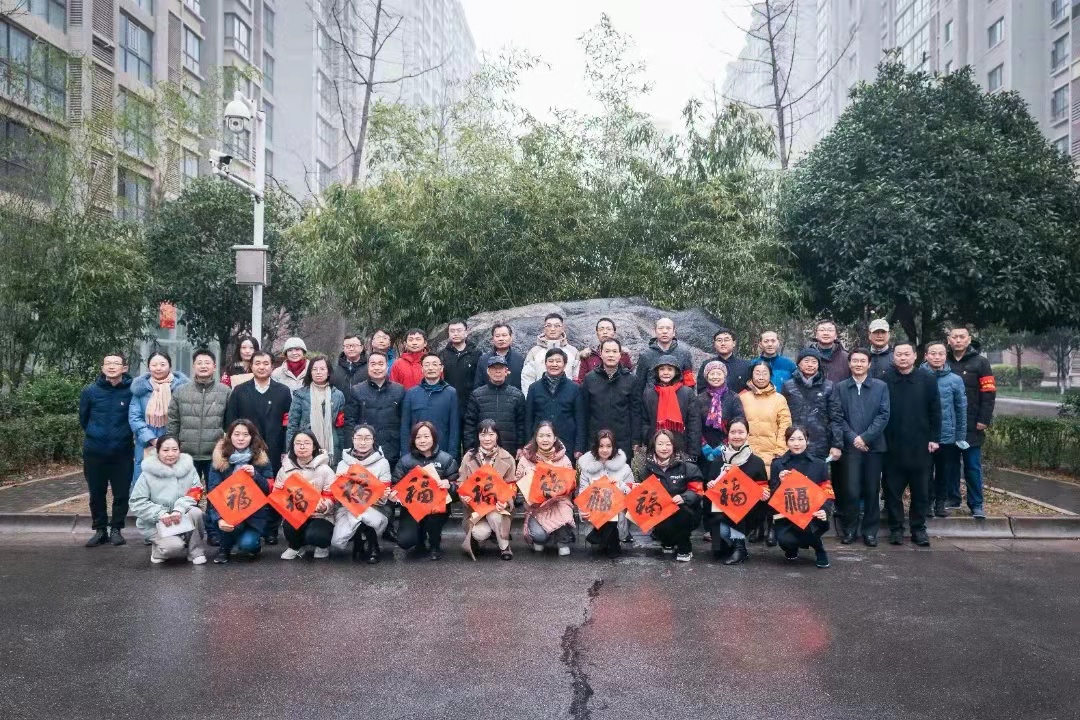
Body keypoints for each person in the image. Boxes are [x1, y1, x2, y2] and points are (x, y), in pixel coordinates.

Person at [223, 350, 293, 544]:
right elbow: (230, 422)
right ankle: (249, 527)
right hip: (246, 449)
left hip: (275, 446)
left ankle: (271, 529)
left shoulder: (283, 391)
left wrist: (286, 449)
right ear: (251, 366)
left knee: (273, 487)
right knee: (249, 486)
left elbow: (288, 423)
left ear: (272, 366)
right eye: (258, 363)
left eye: (266, 363)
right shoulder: (240, 391)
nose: (262, 367)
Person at [167, 348, 231, 544]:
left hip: (214, 454)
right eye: (199, 363)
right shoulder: (181, 391)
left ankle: (213, 532)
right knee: (187, 495)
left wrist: (225, 449)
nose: (203, 366)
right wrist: (173, 448)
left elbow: (230, 424)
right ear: (193, 366)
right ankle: (188, 532)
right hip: (187, 454)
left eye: (207, 363)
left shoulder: (225, 392)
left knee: (215, 495)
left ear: (214, 366)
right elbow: (173, 421)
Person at [882, 343, 941, 547]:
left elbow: (935, 410)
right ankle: (896, 529)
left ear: (915, 356)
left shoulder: (927, 379)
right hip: (892, 446)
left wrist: (934, 438)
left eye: (907, 354)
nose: (903, 357)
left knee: (921, 491)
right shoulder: (885, 380)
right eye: (899, 354)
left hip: (921, 445)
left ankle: (918, 529)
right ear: (893, 357)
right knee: (892, 492)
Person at [831, 348, 890, 546]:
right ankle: (849, 530)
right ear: (849, 364)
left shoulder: (880, 387)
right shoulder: (840, 387)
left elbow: (883, 415)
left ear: (869, 364)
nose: (858, 364)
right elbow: (837, 416)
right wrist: (854, 438)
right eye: (854, 361)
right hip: (850, 448)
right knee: (851, 490)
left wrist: (865, 438)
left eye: (862, 361)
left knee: (872, 490)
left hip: (874, 447)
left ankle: (870, 532)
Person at [79, 353, 135, 548]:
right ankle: (100, 530)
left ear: (124, 368)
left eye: (116, 363)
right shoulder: (90, 391)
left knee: (121, 494)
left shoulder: (131, 391)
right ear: (102, 368)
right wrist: (97, 434)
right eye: (108, 363)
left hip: (122, 452)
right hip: (94, 451)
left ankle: (116, 529)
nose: (112, 366)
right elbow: (84, 419)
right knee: (96, 493)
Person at [129, 434, 207, 565]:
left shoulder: (189, 468)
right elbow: (137, 502)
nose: (170, 454)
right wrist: (160, 513)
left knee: (196, 512)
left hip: (181, 516)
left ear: (180, 450)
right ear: (158, 451)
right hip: (157, 522)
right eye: (165, 450)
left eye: (175, 449)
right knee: (174, 548)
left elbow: (196, 490)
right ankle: (159, 550)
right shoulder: (147, 473)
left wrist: (179, 509)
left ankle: (195, 552)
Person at [207, 420, 274, 564]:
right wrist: (219, 519)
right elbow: (213, 492)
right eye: (236, 434)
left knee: (247, 545)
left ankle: (253, 544)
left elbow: (268, 490)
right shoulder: (219, 458)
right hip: (228, 512)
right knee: (229, 524)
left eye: (245, 434)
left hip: (254, 515)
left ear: (252, 437)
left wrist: (256, 476)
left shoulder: (261, 458)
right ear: (230, 436)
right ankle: (224, 548)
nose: (241, 438)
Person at [703, 418, 769, 564]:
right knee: (718, 550)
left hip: (747, 513)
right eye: (733, 432)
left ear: (747, 434)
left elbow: (763, 486)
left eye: (741, 432)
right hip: (721, 512)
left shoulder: (756, 462)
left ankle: (740, 548)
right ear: (728, 434)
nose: (737, 436)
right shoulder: (718, 461)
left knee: (737, 506)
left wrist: (764, 493)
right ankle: (730, 545)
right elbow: (709, 491)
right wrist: (711, 486)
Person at [947, 326, 996, 519]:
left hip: (972, 424)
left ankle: (976, 504)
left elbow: (989, 393)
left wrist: (984, 419)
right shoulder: (944, 361)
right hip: (949, 424)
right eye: (954, 337)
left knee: (972, 466)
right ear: (949, 340)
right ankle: (952, 498)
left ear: (968, 340)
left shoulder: (981, 362)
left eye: (962, 337)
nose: (958, 340)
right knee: (950, 465)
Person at [392, 422, 459, 560]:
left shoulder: (446, 459)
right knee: (405, 541)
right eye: (418, 437)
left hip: (437, 508)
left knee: (434, 519)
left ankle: (435, 544)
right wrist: (395, 497)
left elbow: (458, 489)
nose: (422, 440)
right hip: (412, 509)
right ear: (413, 440)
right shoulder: (405, 461)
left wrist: (450, 486)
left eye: (426, 436)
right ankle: (420, 541)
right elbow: (395, 485)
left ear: (434, 437)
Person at [770, 426, 833, 568]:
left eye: (800, 439)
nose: (796, 443)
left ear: (807, 440)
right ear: (786, 442)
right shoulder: (778, 464)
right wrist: (780, 482)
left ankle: (819, 548)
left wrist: (825, 510)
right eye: (792, 439)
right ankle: (791, 547)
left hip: (812, 516)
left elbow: (827, 491)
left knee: (808, 526)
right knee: (785, 540)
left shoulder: (819, 464)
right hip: (787, 516)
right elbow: (772, 497)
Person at [637, 429, 702, 562]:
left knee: (682, 513)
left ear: (673, 445)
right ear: (654, 446)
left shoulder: (687, 466)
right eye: (660, 444)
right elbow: (643, 494)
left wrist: (684, 497)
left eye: (668, 444)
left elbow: (698, 491)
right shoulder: (647, 469)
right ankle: (667, 540)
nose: (664, 448)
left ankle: (684, 547)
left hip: (685, 510)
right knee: (660, 519)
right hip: (661, 511)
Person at [331, 424, 392, 563]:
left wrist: (382, 494)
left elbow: (384, 494)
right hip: (348, 508)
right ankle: (358, 540)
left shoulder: (383, 463)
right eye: (358, 438)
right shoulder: (343, 464)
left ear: (373, 440)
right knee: (339, 538)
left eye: (367, 438)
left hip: (376, 507)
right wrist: (338, 484)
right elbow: (339, 497)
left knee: (365, 514)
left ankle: (373, 544)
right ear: (352, 439)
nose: (362, 442)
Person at [129, 350, 190, 486]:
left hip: (174, 443)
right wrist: (151, 439)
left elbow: (186, 415)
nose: (158, 368)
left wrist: (170, 441)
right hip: (147, 443)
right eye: (154, 365)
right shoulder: (140, 390)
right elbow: (134, 417)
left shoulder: (182, 389)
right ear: (148, 367)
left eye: (162, 364)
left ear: (170, 366)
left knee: (172, 482)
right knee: (145, 482)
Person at [458, 419, 516, 560]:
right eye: (483, 435)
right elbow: (461, 482)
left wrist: (506, 502)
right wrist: (464, 496)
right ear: (478, 436)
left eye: (491, 434)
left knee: (494, 516)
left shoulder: (507, 457)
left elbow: (512, 485)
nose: (487, 439)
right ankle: (478, 540)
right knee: (480, 533)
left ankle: (504, 546)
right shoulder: (469, 457)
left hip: (497, 508)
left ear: (497, 436)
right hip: (476, 509)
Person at [922, 341, 968, 518]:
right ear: (926, 356)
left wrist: (960, 436)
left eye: (940, 354)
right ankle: (927, 503)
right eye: (933, 353)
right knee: (925, 471)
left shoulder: (955, 380)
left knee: (944, 472)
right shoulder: (918, 377)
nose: (936, 357)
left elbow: (961, 409)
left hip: (947, 435)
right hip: (924, 434)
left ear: (945, 356)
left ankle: (940, 503)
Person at [517, 421, 576, 556]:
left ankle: (562, 540)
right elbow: (518, 482)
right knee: (539, 536)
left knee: (565, 515)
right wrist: (529, 476)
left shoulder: (564, 459)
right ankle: (541, 537)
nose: (545, 439)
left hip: (558, 503)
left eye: (548, 436)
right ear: (536, 438)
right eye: (541, 436)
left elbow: (571, 485)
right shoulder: (526, 459)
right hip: (537, 506)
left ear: (555, 438)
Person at [276, 431, 337, 560]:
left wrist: (325, 506)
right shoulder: (285, 469)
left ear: (314, 446)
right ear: (293, 446)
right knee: (289, 525)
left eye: (306, 443)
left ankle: (322, 546)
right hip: (296, 514)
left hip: (320, 516)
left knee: (316, 535)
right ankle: (296, 546)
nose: (302, 447)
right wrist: (278, 491)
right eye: (298, 443)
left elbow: (332, 496)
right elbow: (278, 496)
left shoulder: (325, 470)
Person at [344, 351, 406, 471]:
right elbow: (350, 421)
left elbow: (405, 422)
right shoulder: (357, 390)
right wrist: (350, 448)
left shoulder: (399, 390)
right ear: (368, 367)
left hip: (392, 448)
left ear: (387, 366)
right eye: (373, 364)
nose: (377, 368)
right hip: (364, 450)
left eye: (380, 364)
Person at [582, 338, 641, 462]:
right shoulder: (590, 379)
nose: (611, 355)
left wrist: (636, 440)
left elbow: (636, 412)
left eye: (614, 351)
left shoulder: (631, 379)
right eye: (607, 351)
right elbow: (584, 413)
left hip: (622, 440)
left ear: (620, 355)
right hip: (596, 439)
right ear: (601, 354)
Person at [576, 429, 634, 558]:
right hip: (595, 515)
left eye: (608, 446)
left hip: (618, 516)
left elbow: (632, 495)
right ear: (596, 447)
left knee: (613, 510)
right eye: (601, 446)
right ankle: (606, 540)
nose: (605, 450)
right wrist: (582, 512)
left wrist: (619, 485)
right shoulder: (587, 469)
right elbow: (582, 493)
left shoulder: (624, 468)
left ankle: (607, 539)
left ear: (614, 447)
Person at [781, 349, 842, 463]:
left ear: (818, 365)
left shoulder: (828, 386)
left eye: (814, 362)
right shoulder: (788, 386)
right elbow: (782, 417)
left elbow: (836, 417)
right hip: (794, 443)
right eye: (806, 361)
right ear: (799, 364)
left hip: (821, 445)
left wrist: (837, 445)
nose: (810, 365)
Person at [524, 348, 586, 459]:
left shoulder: (575, 388)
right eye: (551, 361)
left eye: (558, 361)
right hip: (540, 445)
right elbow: (528, 419)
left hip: (567, 443)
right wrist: (528, 444)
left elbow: (580, 420)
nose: (554, 364)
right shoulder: (534, 388)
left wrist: (579, 447)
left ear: (565, 364)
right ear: (545, 363)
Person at [287, 355, 347, 464]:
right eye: (314, 369)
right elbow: (292, 425)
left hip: (331, 445)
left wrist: (342, 449)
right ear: (310, 372)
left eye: (322, 369)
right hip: (306, 444)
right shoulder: (300, 395)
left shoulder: (338, 395)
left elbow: (340, 427)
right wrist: (290, 450)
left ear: (328, 372)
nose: (318, 372)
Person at [400, 353, 460, 461]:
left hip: (442, 452)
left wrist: (452, 457)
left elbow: (454, 427)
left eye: (434, 364)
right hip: (416, 454)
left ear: (441, 368)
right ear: (422, 369)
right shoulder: (411, 393)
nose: (431, 368)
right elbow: (405, 427)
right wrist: (405, 456)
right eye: (427, 365)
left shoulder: (451, 393)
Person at [464, 355, 527, 457]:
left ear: (506, 371)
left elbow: (521, 424)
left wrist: (521, 446)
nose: (497, 371)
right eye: (494, 368)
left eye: (501, 368)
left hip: (509, 451)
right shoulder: (477, 395)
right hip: (482, 451)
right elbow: (470, 424)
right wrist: (470, 447)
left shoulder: (517, 395)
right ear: (488, 371)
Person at [641, 355, 701, 460]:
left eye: (670, 369)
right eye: (662, 369)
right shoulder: (649, 393)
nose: (665, 372)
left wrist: (693, 452)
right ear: (657, 372)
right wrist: (648, 438)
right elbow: (644, 420)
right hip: (655, 446)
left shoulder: (687, 393)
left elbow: (694, 423)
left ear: (676, 372)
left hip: (681, 446)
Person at [697, 360, 745, 482]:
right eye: (712, 374)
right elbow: (694, 424)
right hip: (703, 450)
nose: (715, 377)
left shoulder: (733, 398)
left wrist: (725, 445)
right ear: (706, 376)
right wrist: (703, 445)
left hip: (728, 449)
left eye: (719, 373)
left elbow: (739, 422)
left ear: (724, 375)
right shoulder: (699, 399)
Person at [740, 361, 792, 469]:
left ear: (770, 375)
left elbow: (785, 426)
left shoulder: (779, 399)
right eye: (757, 373)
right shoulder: (742, 397)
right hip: (745, 453)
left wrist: (780, 450)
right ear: (751, 375)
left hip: (771, 454)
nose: (761, 377)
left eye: (765, 373)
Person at [439, 318, 482, 436]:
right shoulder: (442, 355)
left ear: (466, 332)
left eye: (459, 330)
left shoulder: (476, 353)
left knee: (470, 438)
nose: (456, 333)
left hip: (471, 404)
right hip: (449, 404)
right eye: (452, 331)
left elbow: (479, 380)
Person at [521, 313, 580, 396]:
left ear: (563, 328)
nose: (552, 329)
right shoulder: (534, 352)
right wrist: (529, 398)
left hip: (567, 399)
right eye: (549, 326)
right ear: (544, 328)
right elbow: (527, 378)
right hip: (540, 399)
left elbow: (577, 377)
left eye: (557, 326)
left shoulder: (573, 351)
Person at [636, 317, 696, 392]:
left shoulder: (684, 353)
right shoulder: (645, 355)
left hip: (678, 397)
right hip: (652, 396)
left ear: (674, 332)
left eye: (668, 328)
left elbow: (689, 382)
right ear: (654, 331)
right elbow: (639, 384)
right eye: (660, 328)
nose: (664, 331)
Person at [575, 317, 633, 383]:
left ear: (614, 333)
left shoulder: (623, 354)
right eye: (601, 329)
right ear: (597, 333)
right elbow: (582, 381)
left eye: (608, 329)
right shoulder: (588, 356)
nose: (605, 332)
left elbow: (630, 379)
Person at [696, 328, 752, 393]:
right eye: (719, 340)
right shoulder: (707, 365)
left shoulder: (746, 365)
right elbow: (701, 390)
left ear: (734, 343)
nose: (723, 343)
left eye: (726, 340)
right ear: (714, 344)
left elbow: (750, 390)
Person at [474, 323, 527, 391]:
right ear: (492, 339)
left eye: (504, 335)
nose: (501, 339)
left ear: (511, 338)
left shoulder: (519, 359)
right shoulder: (484, 359)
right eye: (497, 336)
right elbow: (478, 386)